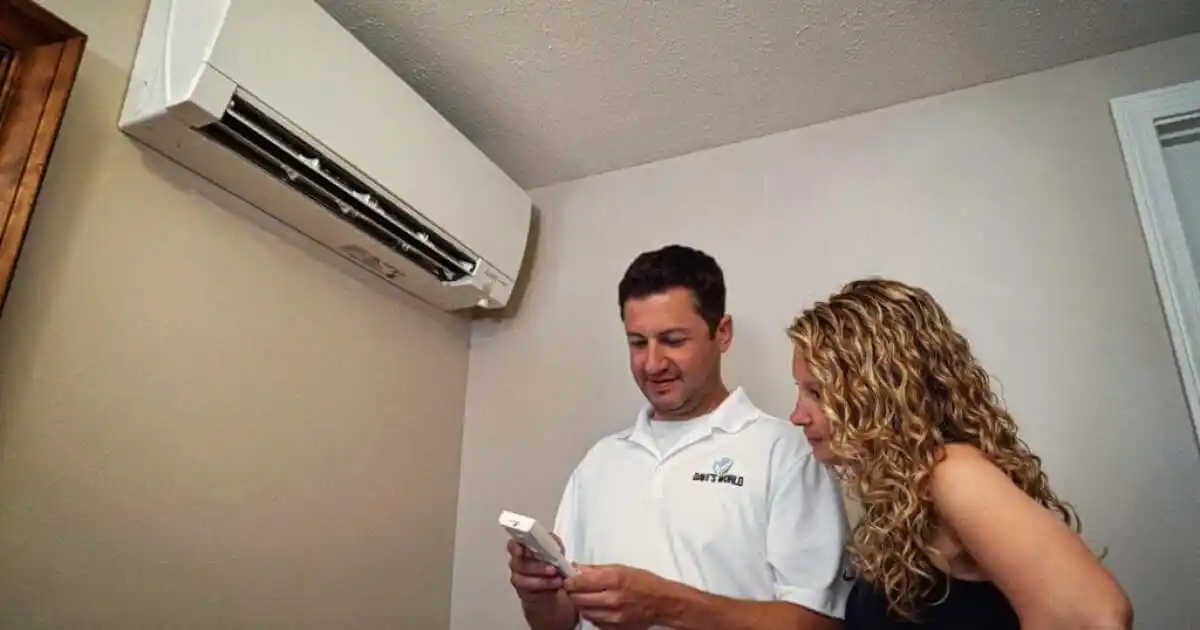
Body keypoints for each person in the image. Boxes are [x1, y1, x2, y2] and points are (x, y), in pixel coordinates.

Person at [507, 244, 853, 630]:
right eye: (638, 343)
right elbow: (559, 622)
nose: (652, 364)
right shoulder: (600, 461)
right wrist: (538, 594)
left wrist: (666, 606)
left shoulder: (788, 454)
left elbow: (820, 623)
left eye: (673, 340)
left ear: (722, 333)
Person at [786, 277, 1133, 630]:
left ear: (880, 392)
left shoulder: (952, 472)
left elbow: (1094, 616)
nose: (797, 416)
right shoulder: (902, 494)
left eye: (817, 393)